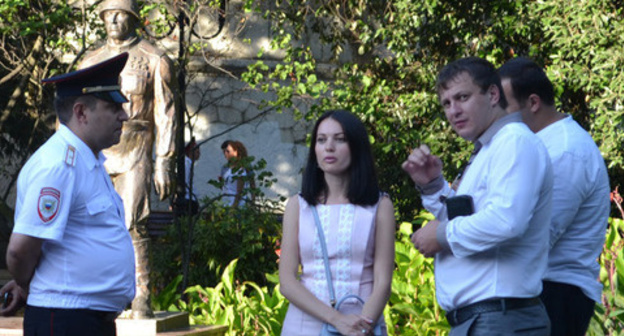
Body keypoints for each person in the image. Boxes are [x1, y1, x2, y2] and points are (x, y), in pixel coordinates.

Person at [402, 57, 553, 335]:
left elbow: (506, 221)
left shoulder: (514, 141)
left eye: (462, 97)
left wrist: (441, 235)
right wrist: (433, 186)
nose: (453, 111)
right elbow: (471, 219)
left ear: (493, 94)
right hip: (483, 320)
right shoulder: (489, 148)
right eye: (446, 103)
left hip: (499, 318)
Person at [1, 53, 135, 335]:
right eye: (113, 107)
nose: (124, 115)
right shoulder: (59, 166)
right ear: (81, 112)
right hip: (65, 319)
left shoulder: (87, 161)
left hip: (84, 318)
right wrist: (26, 283)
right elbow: (19, 250)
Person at [78, 0, 178, 318]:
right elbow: (73, 113)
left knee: (134, 222)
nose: (114, 20)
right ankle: (100, 294)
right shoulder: (89, 61)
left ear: (133, 19)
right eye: (109, 15)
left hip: (135, 146)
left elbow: (165, 114)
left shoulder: (154, 58)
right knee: (91, 224)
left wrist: (164, 161)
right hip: (95, 152)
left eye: (121, 14)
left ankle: (141, 297)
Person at [498, 57, 610, 336]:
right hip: (542, 290)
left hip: (557, 294)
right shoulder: (541, 145)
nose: (497, 116)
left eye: (503, 107)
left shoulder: (565, 152)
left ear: (533, 103)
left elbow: (538, 235)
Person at [280, 110, 396, 335]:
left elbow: (383, 282)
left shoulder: (380, 205)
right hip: (304, 324)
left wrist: (362, 325)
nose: (329, 147)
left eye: (340, 139)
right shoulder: (297, 205)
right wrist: (336, 320)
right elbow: (287, 281)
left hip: (362, 324)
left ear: (356, 146)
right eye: (321, 140)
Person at [219, 140, 255, 207]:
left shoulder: (244, 167)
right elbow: (224, 186)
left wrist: (253, 201)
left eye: (227, 151)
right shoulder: (225, 168)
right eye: (224, 152)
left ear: (236, 152)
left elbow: (252, 184)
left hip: (238, 205)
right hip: (226, 203)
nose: (225, 154)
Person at [179, 139, 201, 215]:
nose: (199, 154)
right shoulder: (186, 164)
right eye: (197, 152)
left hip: (190, 197)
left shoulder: (189, 164)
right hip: (187, 198)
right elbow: (184, 181)